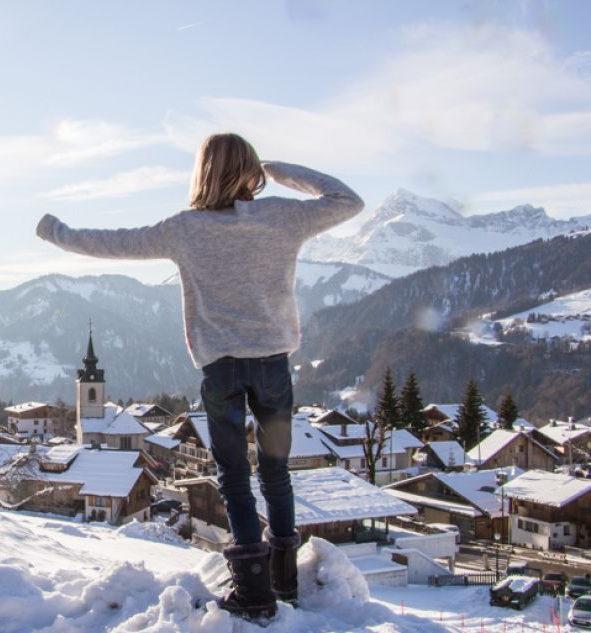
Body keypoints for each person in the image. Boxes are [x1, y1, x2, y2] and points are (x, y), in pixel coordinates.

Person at [36, 133, 364, 620]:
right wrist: (276, 169)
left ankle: (254, 593)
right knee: (275, 474)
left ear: (202, 172)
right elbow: (347, 200)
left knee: (234, 475)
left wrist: (54, 231)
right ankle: (284, 582)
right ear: (249, 169)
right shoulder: (283, 217)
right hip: (274, 365)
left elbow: (112, 244)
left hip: (222, 370)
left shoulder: (186, 229)